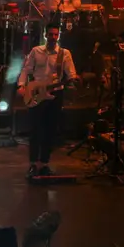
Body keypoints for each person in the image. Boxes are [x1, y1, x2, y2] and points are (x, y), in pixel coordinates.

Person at [18, 22, 78, 176]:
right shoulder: (36, 51)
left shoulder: (64, 53)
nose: (53, 37)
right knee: (35, 129)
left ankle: (44, 163)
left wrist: (74, 79)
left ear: (58, 36)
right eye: (50, 34)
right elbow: (26, 69)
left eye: (55, 35)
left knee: (50, 130)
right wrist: (21, 85)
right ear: (45, 35)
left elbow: (71, 73)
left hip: (55, 94)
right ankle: (33, 163)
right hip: (37, 92)